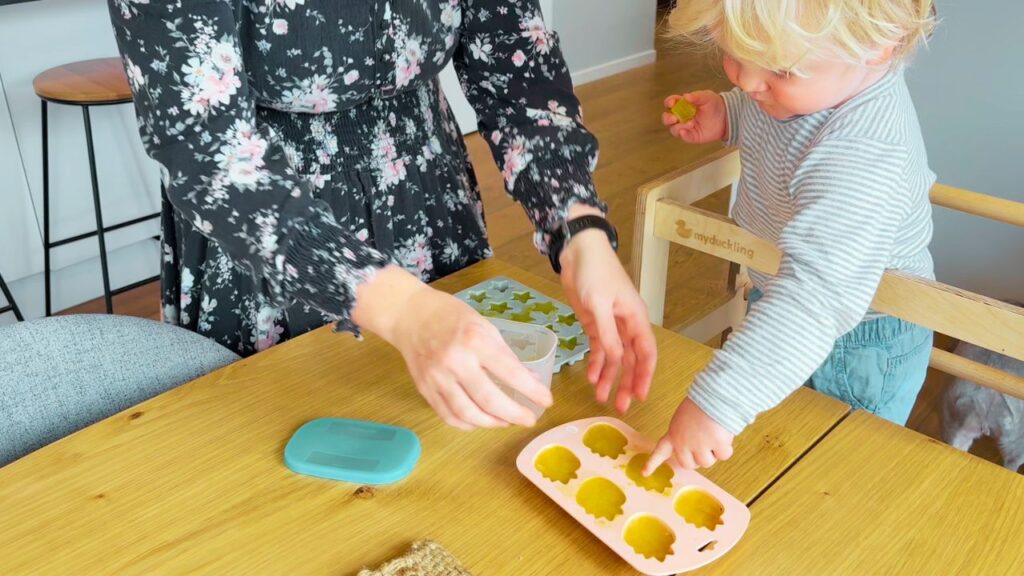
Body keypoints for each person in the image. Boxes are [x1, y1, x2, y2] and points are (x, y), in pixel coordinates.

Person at [106, 0, 656, 430]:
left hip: (431, 201)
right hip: (269, 229)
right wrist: (402, 309)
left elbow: (516, 63)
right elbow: (207, 146)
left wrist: (577, 225)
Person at [645, 0, 937, 473]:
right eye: (734, 54)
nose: (745, 80)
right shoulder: (813, 84)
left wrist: (716, 404)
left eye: (778, 70)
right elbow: (782, 125)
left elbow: (816, 298)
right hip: (786, 298)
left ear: (877, 49)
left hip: (859, 339)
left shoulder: (863, 153)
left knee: (827, 470)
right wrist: (729, 114)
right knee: (776, 444)